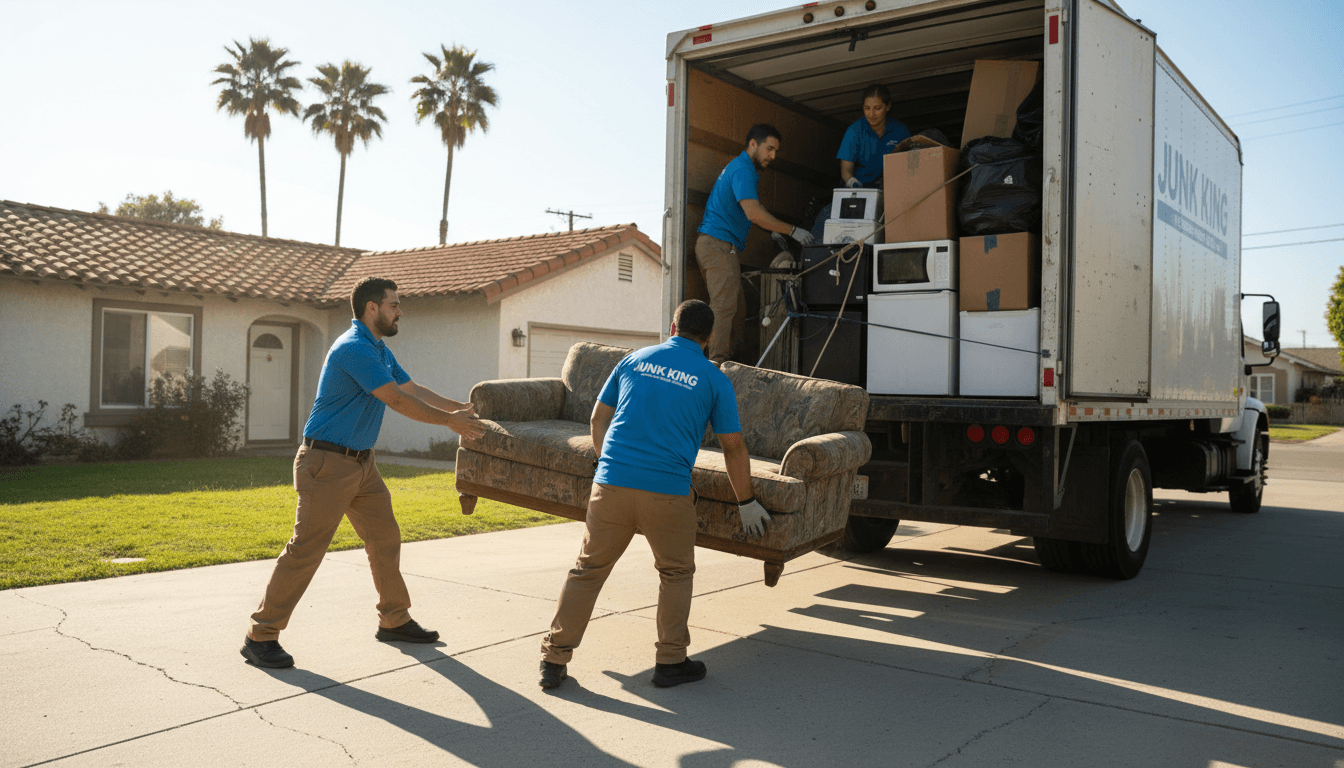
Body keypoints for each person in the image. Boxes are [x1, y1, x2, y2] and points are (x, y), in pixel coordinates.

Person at [240, 277, 487, 669]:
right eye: (394, 304)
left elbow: (412, 388)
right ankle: (261, 635)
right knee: (306, 550)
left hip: (360, 464)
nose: (399, 311)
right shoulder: (354, 348)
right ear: (372, 308)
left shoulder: (378, 348)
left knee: (384, 537)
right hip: (327, 463)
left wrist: (461, 408)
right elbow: (395, 399)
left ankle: (394, 618)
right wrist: (449, 423)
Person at [538, 300, 771, 690]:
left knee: (587, 571)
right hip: (666, 493)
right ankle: (670, 662)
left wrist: (605, 464)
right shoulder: (714, 379)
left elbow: (599, 419)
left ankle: (553, 659)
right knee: (676, 573)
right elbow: (733, 447)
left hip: (610, 486)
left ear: (673, 325)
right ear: (709, 337)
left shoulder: (633, 360)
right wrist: (745, 501)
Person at [695, 124, 816, 364]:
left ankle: (734, 362)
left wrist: (771, 231)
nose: (773, 156)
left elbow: (748, 211)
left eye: (775, 151)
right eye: (769, 149)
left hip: (717, 246)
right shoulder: (743, 170)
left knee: (738, 312)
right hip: (718, 247)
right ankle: (716, 365)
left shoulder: (740, 167)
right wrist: (792, 231)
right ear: (753, 144)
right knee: (724, 310)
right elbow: (753, 213)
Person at [837, 84, 911, 188]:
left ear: (888, 106)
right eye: (867, 108)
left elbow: (909, 166)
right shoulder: (854, 130)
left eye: (877, 108)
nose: (871, 114)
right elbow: (846, 170)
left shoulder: (901, 130)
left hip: (891, 188)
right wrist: (852, 183)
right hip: (860, 188)